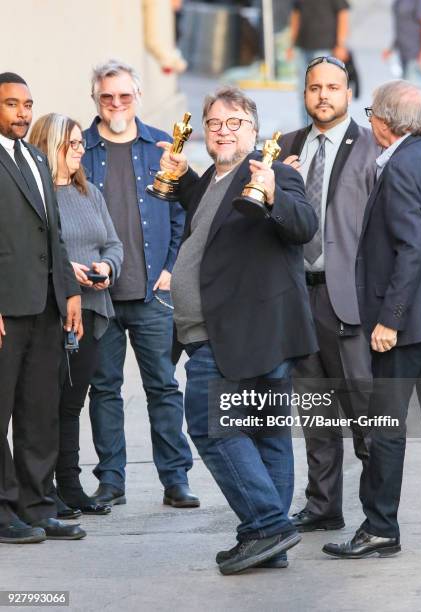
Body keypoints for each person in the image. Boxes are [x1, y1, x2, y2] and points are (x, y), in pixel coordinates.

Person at [158, 86, 318, 574]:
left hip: (237, 335)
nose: (223, 131)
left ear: (253, 130)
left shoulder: (274, 172)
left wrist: (272, 192)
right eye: (214, 123)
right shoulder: (212, 178)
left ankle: (268, 524)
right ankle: (265, 539)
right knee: (267, 434)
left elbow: (304, 224)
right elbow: (217, 226)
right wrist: (183, 179)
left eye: (234, 123)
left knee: (212, 428)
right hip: (233, 334)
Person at [323, 80, 421, 559]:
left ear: (382, 121)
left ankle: (381, 526)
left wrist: (391, 320)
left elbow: (412, 246)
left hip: (405, 327)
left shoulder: (399, 166)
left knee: (385, 428)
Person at [82, 59, 198, 508]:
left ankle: (175, 480)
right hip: (99, 296)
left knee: (164, 388)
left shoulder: (161, 149)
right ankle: (111, 480)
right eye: (107, 96)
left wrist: (172, 266)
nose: (116, 104)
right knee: (105, 389)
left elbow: (182, 213)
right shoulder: (81, 151)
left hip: (153, 292)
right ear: (96, 99)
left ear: (138, 97)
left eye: (124, 96)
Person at [279, 56, 380, 533]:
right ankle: (323, 507)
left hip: (349, 302)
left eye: (332, 87)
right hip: (299, 297)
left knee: (366, 411)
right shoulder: (287, 146)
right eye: (314, 87)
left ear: (348, 92)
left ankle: (379, 516)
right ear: (304, 94)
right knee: (314, 409)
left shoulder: (370, 148)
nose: (323, 95)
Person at [0, 72, 85, 543]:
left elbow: (53, 234)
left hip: (46, 305)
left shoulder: (34, 156)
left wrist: (70, 290)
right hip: (5, 308)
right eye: (12, 104)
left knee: (38, 412)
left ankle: (36, 506)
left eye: (28, 104)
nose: (23, 113)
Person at [29, 113, 123, 517]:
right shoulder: (35, 194)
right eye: (73, 144)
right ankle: (43, 487)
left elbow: (113, 244)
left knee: (72, 404)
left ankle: (69, 484)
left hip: (93, 310)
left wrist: (106, 268)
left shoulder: (91, 193)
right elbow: (41, 251)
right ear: (51, 146)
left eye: (82, 143)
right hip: (53, 313)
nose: (80, 151)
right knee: (45, 403)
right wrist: (70, 272)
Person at [287, 0, 350, 122]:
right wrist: (291, 44)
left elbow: (343, 14)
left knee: (324, 93)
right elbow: (295, 15)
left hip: (325, 47)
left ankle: (326, 130)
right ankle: (307, 132)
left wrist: (341, 44)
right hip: (302, 47)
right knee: (304, 92)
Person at [383, 0, 421, 84]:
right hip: (403, 54)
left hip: (415, 54)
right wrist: (391, 49)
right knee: (404, 88)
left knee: (411, 92)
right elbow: (401, 27)